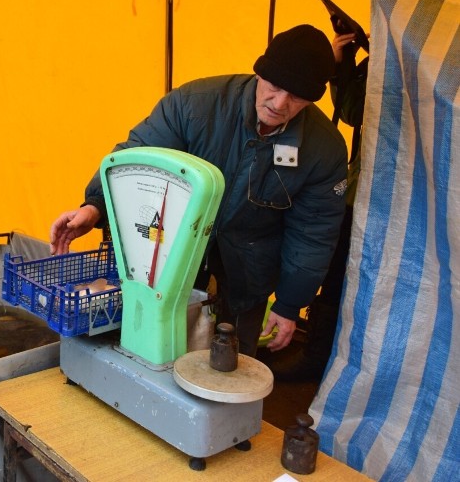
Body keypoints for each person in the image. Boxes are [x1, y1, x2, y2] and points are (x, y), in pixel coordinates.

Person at [50, 25, 349, 357]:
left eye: (296, 96)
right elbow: (135, 156)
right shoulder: (195, 106)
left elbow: (313, 233)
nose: (279, 103)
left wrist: (291, 303)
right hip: (171, 258)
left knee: (233, 364)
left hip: (249, 275)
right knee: (157, 354)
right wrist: (94, 206)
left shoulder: (324, 149)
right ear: (260, 72)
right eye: (275, 86)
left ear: (313, 98)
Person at [272, 28, 367, 381]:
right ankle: (317, 359)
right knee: (335, 271)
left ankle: (348, 365)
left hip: (408, 203)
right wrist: (343, 67)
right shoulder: (381, 64)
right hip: (360, 192)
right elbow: (353, 111)